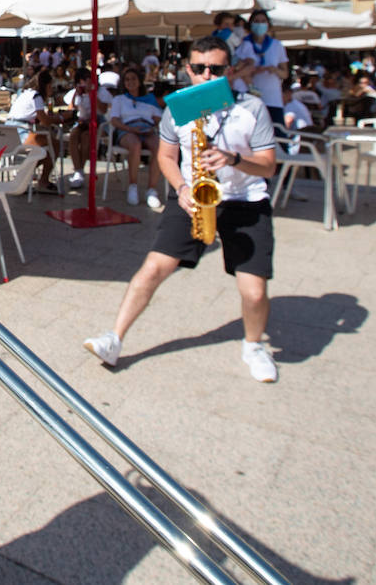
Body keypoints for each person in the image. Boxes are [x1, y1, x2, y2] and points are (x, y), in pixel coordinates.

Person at [83, 36, 279, 383]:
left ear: (229, 70)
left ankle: (253, 346)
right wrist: (181, 188)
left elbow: (268, 166)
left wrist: (234, 159)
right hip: (194, 195)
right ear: (188, 69)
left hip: (245, 200)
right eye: (199, 68)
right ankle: (114, 338)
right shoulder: (179, 108)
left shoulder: (251, 108)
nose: (206, 75)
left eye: (215, 69)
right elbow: (166, 157)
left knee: (254, 290)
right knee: (154, 267)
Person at [107, 65, 164, 209]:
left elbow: (159, 119)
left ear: (139, 81)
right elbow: (114, 120)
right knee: (135, 145)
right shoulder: (119, 99)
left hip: (147, 129)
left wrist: (151, 128)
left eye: (133, 79)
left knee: (160, 148)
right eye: (127, 80)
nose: (130, 82)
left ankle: (151, 190)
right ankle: (133, 186)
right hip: (127, 130)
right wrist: (130, 129)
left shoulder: (149, 99)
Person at [6, 70, 59, 194]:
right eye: (51, 85)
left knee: (45, 148)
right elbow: (45, 121)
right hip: (21, 132)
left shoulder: (25, 93)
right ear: (46, 85)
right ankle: (43, 181)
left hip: (8, 133)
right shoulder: (37, 96)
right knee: (54, 145)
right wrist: (62, 118)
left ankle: (22, 175)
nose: (52, 89)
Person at [232, 10, 289, 125]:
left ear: (268, 24)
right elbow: (237, 67)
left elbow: (285, 73)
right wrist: (252, 71)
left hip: (273, 99)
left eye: (263, 21)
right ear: (251, 24)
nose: (260, 24)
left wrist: (274, 69)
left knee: (278, 136)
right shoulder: (244, 44)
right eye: (256, 21)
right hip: (250, 97)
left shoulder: (276, 45)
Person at [63, 67, 96, 189]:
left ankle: (80, 170)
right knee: (74, 136)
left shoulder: (98, 92)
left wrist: (92, 93)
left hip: (94, 123)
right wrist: (77, 93)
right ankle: (78, 170)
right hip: (81, 122)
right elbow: (72, 108)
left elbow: (103, 110)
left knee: (86, 137)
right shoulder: (77, 93)